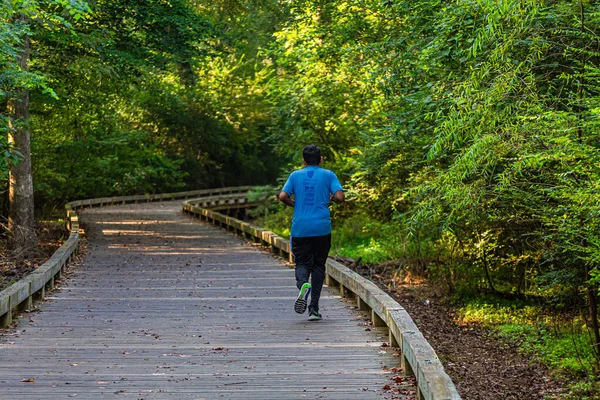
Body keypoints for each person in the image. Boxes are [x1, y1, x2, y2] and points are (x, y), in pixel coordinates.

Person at [278, 144, 344, 321]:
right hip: (322, 227)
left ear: (303, 160)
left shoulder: (295, 175)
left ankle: (302, 285)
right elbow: (339, 197)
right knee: (318, 266)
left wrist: (296, 205)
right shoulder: (328, 175)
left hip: (300, 228)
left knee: (302, 263)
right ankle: (313, 309)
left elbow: (282, 196)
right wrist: (330, 199)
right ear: (321, 159)